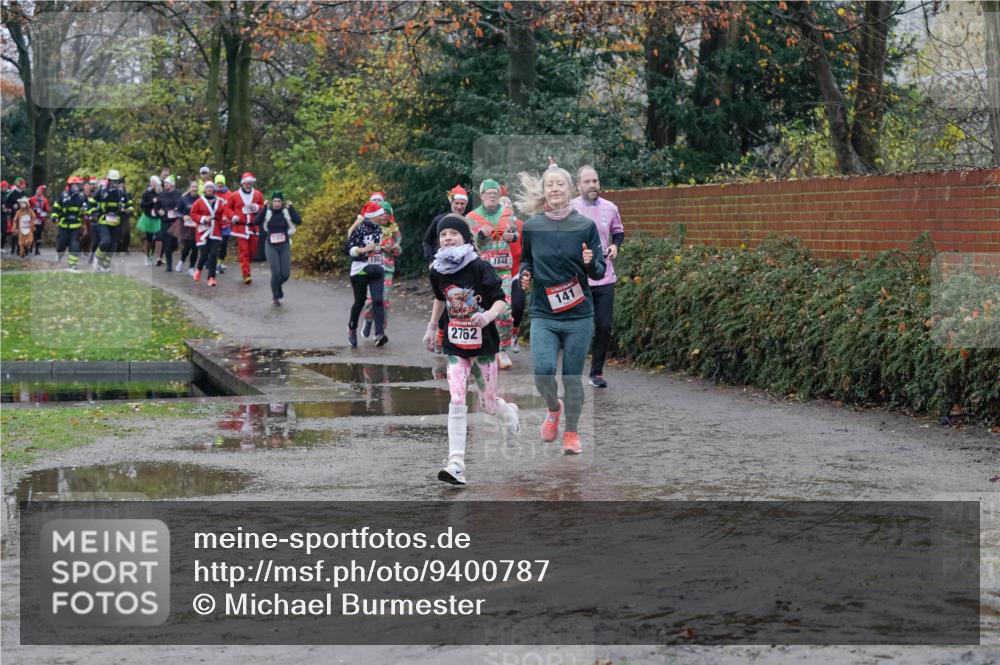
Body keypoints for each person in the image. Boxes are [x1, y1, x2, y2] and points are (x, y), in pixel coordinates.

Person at [423, 214, 520, 485]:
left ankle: (508, 413)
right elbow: (440, 299)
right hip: (456, 345)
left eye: (453, 233)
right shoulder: (437, 270)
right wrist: (432, 327)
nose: (448, 237)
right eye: (443, 234)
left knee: (488, 405)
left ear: (465, 237)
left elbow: (500, 300)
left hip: (483, 345)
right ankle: (456, 463)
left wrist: (488, 317)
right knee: (456, 399)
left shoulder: (479, 266)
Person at [516, 162, 605, 455]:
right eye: (550, 184)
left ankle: (571, 432)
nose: (555, 188)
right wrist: (526, 273)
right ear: (544, 191)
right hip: (544, 312)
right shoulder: (532, 227)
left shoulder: (585, 226)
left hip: (579, 314)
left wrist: (591, 261)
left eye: (560, 184)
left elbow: (598, 272)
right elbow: (526, 259)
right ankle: (554, 408)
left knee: (571, 376)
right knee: (542, 373)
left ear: (571, 190)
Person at [572, 166, 625, 388]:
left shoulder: (610, 208)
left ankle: (597, 373)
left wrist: (615, 245)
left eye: (595, 181)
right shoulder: (570, 208)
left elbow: (618, 231)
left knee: (604, 325)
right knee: (575, 326)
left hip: (604, 276)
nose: (593, 185)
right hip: (577, 278)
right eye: (587, 182)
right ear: (578, 186)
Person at [467, 179, 520, 369]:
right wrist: (480, 235)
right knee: (481, 312)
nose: (492, 196)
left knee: (504, 313)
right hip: (481, 272)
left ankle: (502, 349)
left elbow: (515, 234)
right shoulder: (472, 217)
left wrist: (512, 237)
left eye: (495, 193)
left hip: (504, 271)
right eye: (488, 193)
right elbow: (467, 243)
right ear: (481, 196)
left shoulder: (507, 214)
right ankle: (482, 349)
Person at [345, 201, 388, 347]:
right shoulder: (360, 229)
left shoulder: (380, 230)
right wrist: (363, 250)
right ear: (373, 216)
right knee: (360, 301)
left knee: (378, 301)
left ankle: (379, 334)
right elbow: (349, 249)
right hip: (360, 269)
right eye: (381, 213)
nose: (384, 216)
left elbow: (378, 247)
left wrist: (385, 247)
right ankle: (352, 328)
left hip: (377, 268)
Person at [361, 200, 401, 337]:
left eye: (387, 213)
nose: (385, 216)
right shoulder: (369, 228)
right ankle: (368, 321)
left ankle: (381, 330)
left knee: (384, 300)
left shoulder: (394, 229)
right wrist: (382, 247)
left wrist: (395, 248)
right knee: (371, 300)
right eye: (382, 213)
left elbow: (399, 249)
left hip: (388, 268)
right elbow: (365, 248)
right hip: (371, 267)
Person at [257, 191, 302, 306]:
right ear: (272, 202)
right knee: (276, 273)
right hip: (271, 245)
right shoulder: (267, 212)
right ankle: (275, 296)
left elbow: (298, 221)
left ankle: (277, 286)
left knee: (285, 274)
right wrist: (263, 208)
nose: (277, 203)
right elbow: (256, 221)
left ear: (282, 203)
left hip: (284, 245)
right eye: (275, 201)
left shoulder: (286, 212)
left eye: (279, 201)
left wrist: (291, 208)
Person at [190, 180, 229, 286]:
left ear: (214, 189)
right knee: (204, 255)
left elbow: (224, 212)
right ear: (204, 190)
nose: (209, 189)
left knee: (213, 255)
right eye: (207, 187)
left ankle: (211, 277)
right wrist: (202, 218)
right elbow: (193, 214)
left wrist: (225, 218)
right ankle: (198, 269)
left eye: (211, 187)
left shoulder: (220, 201)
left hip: (215, 232)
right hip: (203, 233)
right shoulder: (199, 201)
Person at [500, 191, 526, 353]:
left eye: (509, 203)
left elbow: (527, 246)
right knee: (500, 309)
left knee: (518, 305)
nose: (507, 205)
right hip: (499, 274)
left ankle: (514, 333)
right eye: (503, 204)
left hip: (516, 271)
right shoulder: (494, 225)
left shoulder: (522, 225)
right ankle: (498, 342)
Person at [93, 169, 132, 272]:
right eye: (112, 181)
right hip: (103, 221)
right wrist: (93, 212)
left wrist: (128, 210)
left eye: (116, 181)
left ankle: (105, 266)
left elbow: (129, 204)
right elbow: (92, 202)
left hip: (116, 222)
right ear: (108, 180)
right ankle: (97, 257)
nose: (114, 183)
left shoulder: (121, 193)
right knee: (106, 241)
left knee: (113, 246)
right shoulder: (101, 191)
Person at [231, 172, 265, 284]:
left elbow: (263, 207)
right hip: (240, 228)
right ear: (242, 183)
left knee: (252, 252)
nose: (248, 184)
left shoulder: (258, 194)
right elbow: (226, 208)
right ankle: (246, 274)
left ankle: (246, 266)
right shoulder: (235, 195)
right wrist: (233, 216)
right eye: (246, 183)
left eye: (250, 183)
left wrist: (257, 207)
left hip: (254, 228)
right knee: (244, 251)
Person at [422, 185, 469, 263]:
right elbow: (427, 242)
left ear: (466, 204)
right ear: (451, 203)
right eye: (456, 203)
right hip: (442, 264)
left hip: (465, 264)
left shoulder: (468, 220)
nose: (459, 206)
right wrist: (431, 262)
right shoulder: (439, 220)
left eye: (462, 204)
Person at [52, 176, 87, 270]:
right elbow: (56, 207)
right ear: (69, 185)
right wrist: (54, 216)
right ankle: (59, 255)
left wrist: (89, 213)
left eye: (77, 185)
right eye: (74, 185)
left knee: (75, 244)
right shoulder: (63, 195)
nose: (75, 187)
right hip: (64, 224)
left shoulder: (82, 197)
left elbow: (87, 208)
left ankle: (73, 264)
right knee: (61, 244)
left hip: (76, 225)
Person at [157, 176, 183, 272]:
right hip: (165, 221)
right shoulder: (161, 195)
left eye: (167, 183)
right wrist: (159, 211)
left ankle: (169, 254)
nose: (165, 184)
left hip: (176, 222)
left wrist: (180, 212)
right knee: (167, 243)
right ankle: (169, 265)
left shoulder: (178, 194)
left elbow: (182, 205)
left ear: (172, 184)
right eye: (165, 183)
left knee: (174, 245)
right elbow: (156, 208)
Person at [136, 175, 163, 266]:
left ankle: (157, 257)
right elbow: (142, 205)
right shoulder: (147, 193)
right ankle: (148, 256)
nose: (153, 184)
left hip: (157, 218)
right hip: (148, 218)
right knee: (149, 239)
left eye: (155, 183)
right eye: (152, 183)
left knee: (158, 238)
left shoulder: (161, 193)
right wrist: (152, 201)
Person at [177, 180, 200, 276]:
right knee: (187, 247)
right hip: (186, 226)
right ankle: (182, 261)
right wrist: (183, 216)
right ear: (189, 188)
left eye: (196, 187)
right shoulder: (183, 199)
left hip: (196, 226)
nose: (194, 188)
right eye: (193, 187)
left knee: (195, 247)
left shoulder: (200, 199)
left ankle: (191, 267)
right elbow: (177, 211)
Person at [214, 173, 232, 275]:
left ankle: (219, 264)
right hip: (215, 224)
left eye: (221, 183)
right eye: (218, 183)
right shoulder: (212, 193)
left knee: (224, 245)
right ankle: (213, 263)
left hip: (226, 224)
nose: (219, 185)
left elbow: (233, 207)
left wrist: (229, 216)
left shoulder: (230, 194)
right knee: (215, 245)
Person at [29, 185, 50, 255]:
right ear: (36, 191)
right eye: (38, 190)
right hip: (32, 219)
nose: (39, 192)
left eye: (40, 191)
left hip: (41, 219)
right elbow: (27, 207)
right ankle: (30, 247)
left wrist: (44, 212)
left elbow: (47, 209)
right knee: (32, 233)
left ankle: (37, 249)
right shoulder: (32, 199)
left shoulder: (45, 200)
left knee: (39, 234)